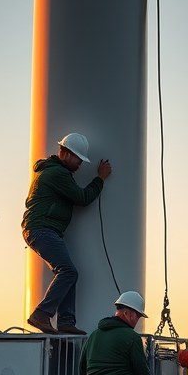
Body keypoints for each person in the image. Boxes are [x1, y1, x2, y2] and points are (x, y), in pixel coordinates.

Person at [22, 132, 112, 335]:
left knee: (67, 272)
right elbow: (82, 197)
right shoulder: (57, 174)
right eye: (78, 158)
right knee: (68, 271)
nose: (80, 163)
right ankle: (42, 314)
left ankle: (65, 321)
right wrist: (100, 179)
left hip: (42, 229)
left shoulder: (55, 172)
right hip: (41, 229)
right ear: (65, 153)